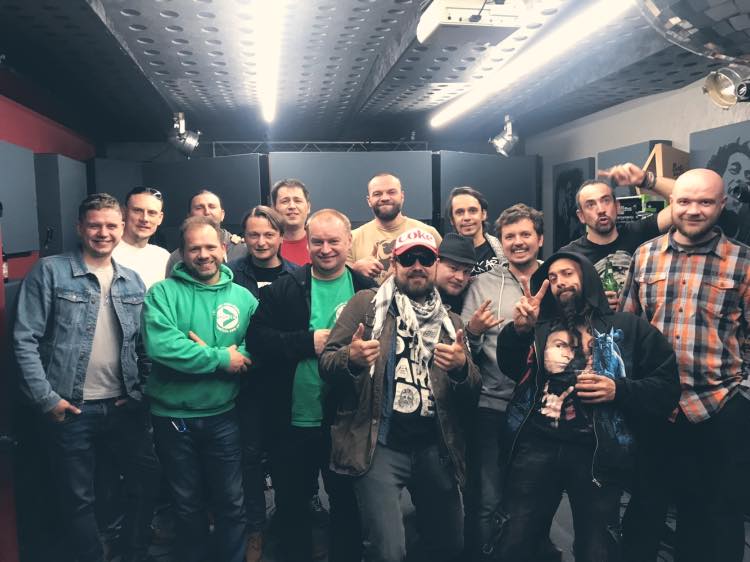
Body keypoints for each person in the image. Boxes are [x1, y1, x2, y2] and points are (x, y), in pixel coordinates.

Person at [495, 251, 679, 562]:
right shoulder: (540, 326)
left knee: (597, 549)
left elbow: (667, 387)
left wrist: (619, 389)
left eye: (567, 273)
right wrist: (519, 331)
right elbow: (513, 368)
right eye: (552, 277)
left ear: (587, 277)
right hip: (537, 446)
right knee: (516, 540)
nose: (559, 282)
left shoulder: (628, 328)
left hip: (597, 452)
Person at [13, 193, 160, 562]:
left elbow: (144, 347)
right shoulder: (50, 271)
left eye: (111, 225)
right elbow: (24, 339)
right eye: (94, 225)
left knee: (142, 485)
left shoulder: (132, 281)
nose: (103, 233)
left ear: (121, 228)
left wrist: (141, 391)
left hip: (124, 405)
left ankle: (132, 552)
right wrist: (47, 399)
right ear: (80, 227)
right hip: (71, 409)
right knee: (78, 498)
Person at [320, 227, 481, 562]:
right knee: (387, 551)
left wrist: (461, 368)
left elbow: (472, 389)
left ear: (435, 265)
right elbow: (328, 362)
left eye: (425, 258)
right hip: (379, 444)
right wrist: (351, 359)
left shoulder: (450, 321)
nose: (417, 265)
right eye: (408, 258)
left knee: (449, 544)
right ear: (394, 263)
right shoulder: (366, 305)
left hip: (434, 448)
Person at [620, 168, 750, 562]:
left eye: (705, 202)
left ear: (721, 205)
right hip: (654, 407)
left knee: (714, 516)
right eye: (684, 201)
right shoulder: (645, 255)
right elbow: (626, 329)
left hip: (718, 405)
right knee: (644, 510)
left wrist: (743, 398)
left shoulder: (743, 262)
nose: (694, 210)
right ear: (670, 203)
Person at [246, 209, 375, 562]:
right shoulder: (285, 288)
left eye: (334, 241)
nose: (326, 249)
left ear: (349, 242)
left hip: (347, 420)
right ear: (307, 243)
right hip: (294, 419)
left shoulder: (367, 290)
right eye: (317, 241)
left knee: (347, 503)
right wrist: (307, 342)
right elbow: (257, 339)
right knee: (291, 505)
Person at [142, 216, 256, 562]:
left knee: (231, 501)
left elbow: (255, 345)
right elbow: (163, 347)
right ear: (182, 252)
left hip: (224, 415)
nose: (203, 255)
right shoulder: (162, 293)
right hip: (173, 418)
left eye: (210, 247)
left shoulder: (243, 297)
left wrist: (233, 355)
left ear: (224, 248)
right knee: (186, 503)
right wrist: (221, 357)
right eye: (194, 248)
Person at [460, 203, 544, 561]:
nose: (518, 242)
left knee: (532, 498)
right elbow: (466, 346)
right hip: (492, 406)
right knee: (487, 499)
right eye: (510, 236)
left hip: (540, 410)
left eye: (525, 234)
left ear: (540, 239)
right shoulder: (483, 283)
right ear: (501, 242)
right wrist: (474, 331)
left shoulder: (555, 279)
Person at [226, 205, 299, 560]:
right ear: (244, 237)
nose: (261, 241)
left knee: (288, 459)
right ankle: (255, 528)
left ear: (281, 237)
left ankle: (288, 523)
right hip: (245, 384)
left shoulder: (297, 275)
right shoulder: (230, 275)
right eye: (253, 234)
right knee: (250, 458)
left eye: (269, 234)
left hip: (287, 383)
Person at [560, 163, 674, 310]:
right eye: (590, 205)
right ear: (581, 216)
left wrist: (646, 179)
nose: (600, 210)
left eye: (606, 200)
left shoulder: (638, 232)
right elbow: (561, 304)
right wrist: (591, 304)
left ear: (617, 207)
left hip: (637, 323)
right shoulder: (570, 255)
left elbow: (687, 200)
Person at [349, 172, 441, 284]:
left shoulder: (428, 233)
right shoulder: (352, 238)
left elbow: (444, 273)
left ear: (402, 196)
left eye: (391, 192)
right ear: (369, 200)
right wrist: (354, 269)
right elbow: (338, 278)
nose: (385, 198)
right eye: (377, 194)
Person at [164, 189, 247, 275]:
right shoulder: (177, 257)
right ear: (189, 216)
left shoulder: (243, 249)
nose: (207, 212)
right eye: (199, 208)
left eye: (212, 207)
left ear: (222, 215)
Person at [113, 186, 170, 290]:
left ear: (160, 218)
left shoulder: (164, 257)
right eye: (137, 210)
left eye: (152, 213)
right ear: (124, 212)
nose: (145, 219)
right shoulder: (107, 252)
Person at [444, 186, 504, 276]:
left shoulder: (503, 249)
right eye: (460, 212)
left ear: (483, 214)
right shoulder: (444, 256)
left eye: (472, 211)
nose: (466, 217)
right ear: (452, 220)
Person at [271, 178, 313, 266]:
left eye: (298, 201)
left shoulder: (323, 245)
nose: (292, 206)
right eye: (285, 201)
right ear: (274, 208)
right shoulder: (265, 246)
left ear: (308, 207)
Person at [435, 232, 476, 314]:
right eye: (453, 268)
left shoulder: (470, 302)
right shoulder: (417, 294)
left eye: (466, 271)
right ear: (436, 264)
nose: (460, 278)